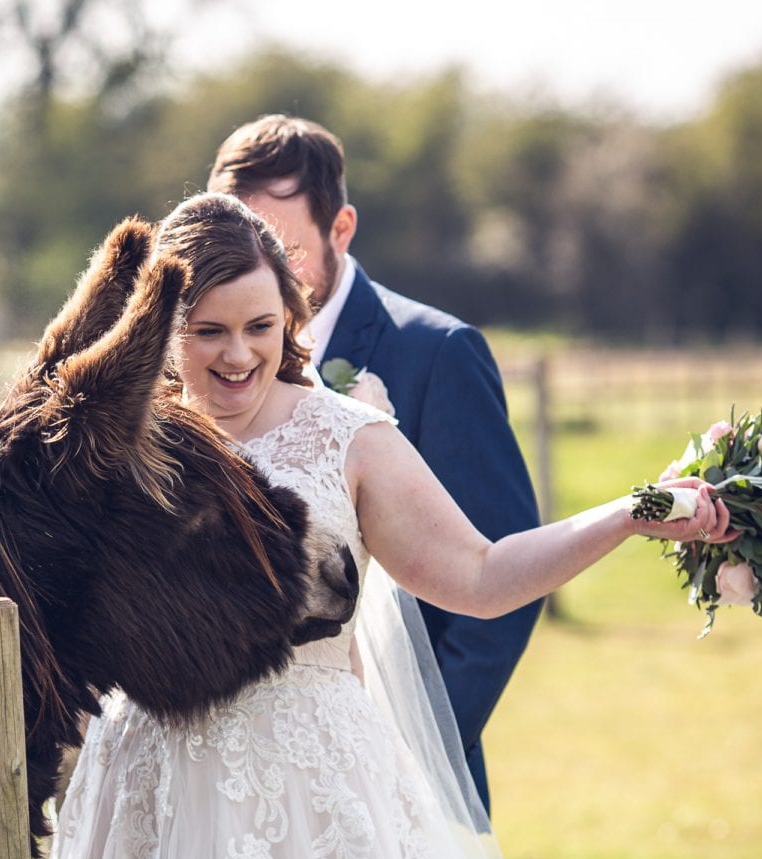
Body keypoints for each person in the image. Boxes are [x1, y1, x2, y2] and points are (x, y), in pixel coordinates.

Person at [36, 193, 735, 859]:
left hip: (314, 793)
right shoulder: (115, 446)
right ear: (160, 330)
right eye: (208, 331)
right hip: (149, 792)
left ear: (290, 318)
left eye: (260, 327)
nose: (237, 355)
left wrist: (630, 511)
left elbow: (480, 574)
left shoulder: (348, 439)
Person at [208, 114, 537, 812]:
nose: (257, 275)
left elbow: (496, 581)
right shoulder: (192, 375)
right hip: (229, 779)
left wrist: (409, 759)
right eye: (235, 252)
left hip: (401, 777)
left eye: (283, 250)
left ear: (342, 230)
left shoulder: (437, 354)